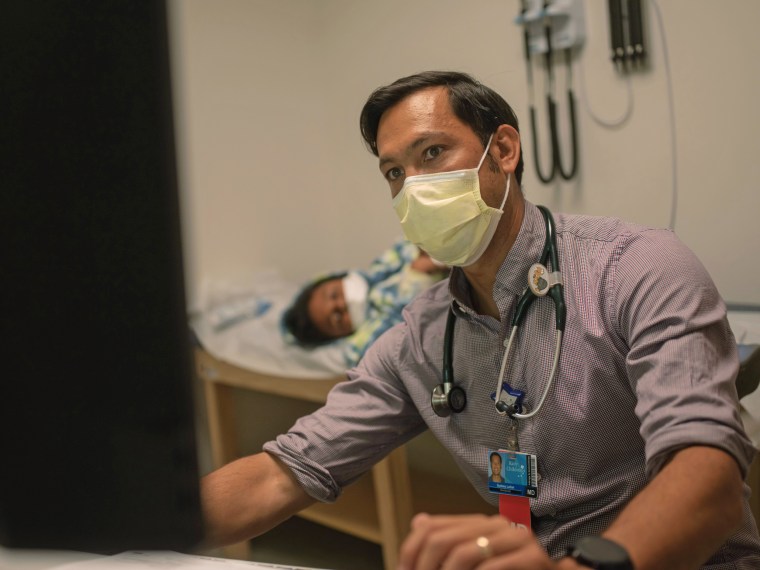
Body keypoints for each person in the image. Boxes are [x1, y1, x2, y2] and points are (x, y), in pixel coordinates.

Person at [201, 71, 760, 569]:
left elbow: (707, 476)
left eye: (432, 153)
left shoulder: (636, 268)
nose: (413, 189)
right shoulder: (420, 338)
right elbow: (283, 472)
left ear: (505, 150)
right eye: (394, 172)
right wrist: (138, 523)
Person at [282, 240, 447, 367]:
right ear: (339, 337)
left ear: (338, 277)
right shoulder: (368, 347)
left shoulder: (384, 266)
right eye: (337, 318)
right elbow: (405, 340)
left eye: (334, 295)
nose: (341, 304)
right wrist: (419, 277)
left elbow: (412, 241)